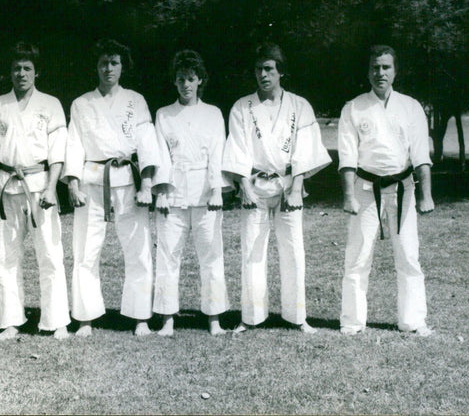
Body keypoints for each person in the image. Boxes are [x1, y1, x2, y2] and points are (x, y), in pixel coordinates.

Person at [222, 42, 331, 334]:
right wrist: (243, 185)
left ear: (280, 71)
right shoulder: (242, 107)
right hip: (255, 186)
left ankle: (297, 317)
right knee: (252, 251)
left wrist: (296, 187)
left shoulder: (299, 105)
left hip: (287, 186)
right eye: (258, 69)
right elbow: (238, 148)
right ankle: (251, 316)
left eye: (269, 69)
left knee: (293, 251)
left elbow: (305, 150)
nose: (263, 74)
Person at [62, 39, 161, 337]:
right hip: (93, 180)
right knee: (85, 249)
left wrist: (146, 184)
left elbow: (146, 143)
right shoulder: (81, 104)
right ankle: (85, 317)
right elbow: (74, 144)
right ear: (97, 66)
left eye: (114, 62)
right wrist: (73, 185)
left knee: (139, 249)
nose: (109, 68)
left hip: (128, 181)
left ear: (122, 66)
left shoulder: (136, 100)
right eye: (104, 62)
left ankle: (140, 316)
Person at [0, 41, 71, 340]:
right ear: (9, 72)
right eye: (16, 68)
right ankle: (10, 320)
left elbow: (57, 152)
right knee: (5, 256)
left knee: (51, 255)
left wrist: (53, 189)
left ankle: (56, 321)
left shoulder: (51, 104)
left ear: (36, 72)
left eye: (27, 68)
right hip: (7, 188)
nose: (21, 73)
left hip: (40, 187)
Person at [337, 44, 435, 337]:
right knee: (358, 256)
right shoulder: (353, 107)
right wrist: (349, 195)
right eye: (375, 67)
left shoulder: (411, 107)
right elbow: (347, 157)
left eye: (386, 67)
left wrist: (425, 195)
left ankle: (413, 320)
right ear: (368, 71)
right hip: (366, 188)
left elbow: (420, 156)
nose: (380, 73)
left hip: (403, 188)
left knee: (408, 255)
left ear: (395, 70)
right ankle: (352, 322)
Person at [152, 50, 230, 337]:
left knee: (211, 255)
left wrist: (216, 191)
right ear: (174, 82)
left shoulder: (213, 114)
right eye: (181, 79)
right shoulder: (164, 115)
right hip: (172, 194)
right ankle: (167, 318)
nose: (186, 84)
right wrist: (160, 191)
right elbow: (161, 156)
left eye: (191, 79)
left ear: (201, 81)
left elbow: (217, 153)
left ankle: (214, 318)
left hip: (205, 194)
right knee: (169, 256)